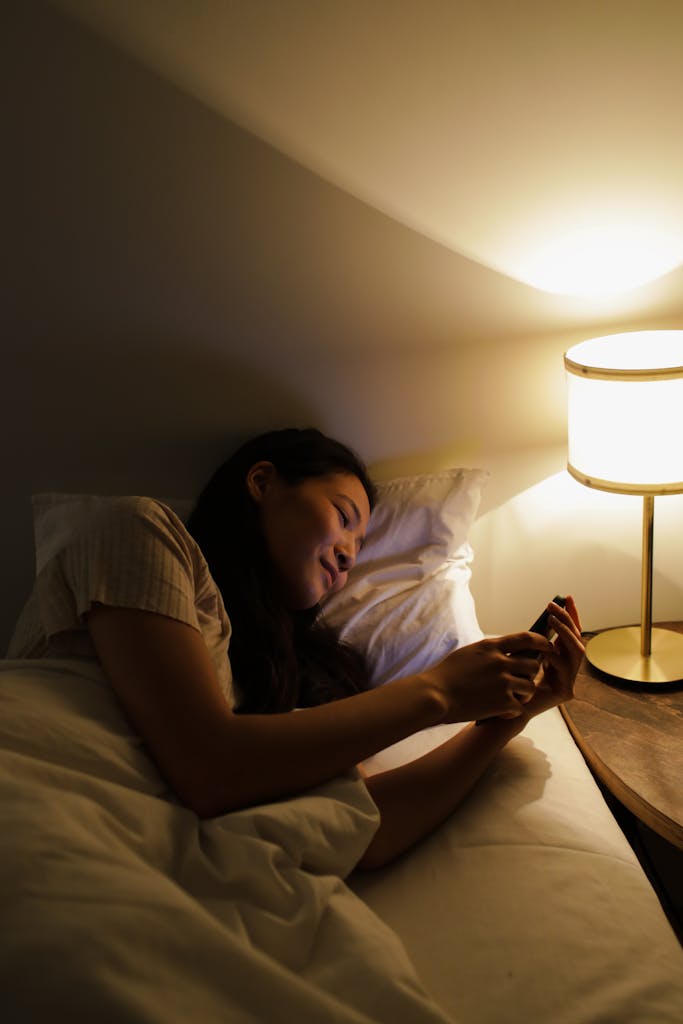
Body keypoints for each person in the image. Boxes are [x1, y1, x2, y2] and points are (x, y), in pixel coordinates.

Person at [8, 427, 584, 869]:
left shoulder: (263, 691)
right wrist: (437, 691)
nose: (351, 555)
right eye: (343, 517)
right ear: (262, 483)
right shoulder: (133, 530)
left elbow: (364, 831)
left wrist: (505, 723)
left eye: (361, 545)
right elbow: (209, 767)